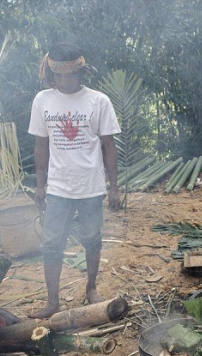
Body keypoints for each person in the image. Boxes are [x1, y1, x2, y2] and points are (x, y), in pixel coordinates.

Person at [27, 42, 121, 319]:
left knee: (92, 239)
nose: (65, 81)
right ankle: (53, 301)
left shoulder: (98, 101)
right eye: (59, 76)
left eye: (70, 75)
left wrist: (113, 187)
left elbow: (109, 145)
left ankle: (91, 288)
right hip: (57, 188)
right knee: (52, 244)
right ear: (51, 74)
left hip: (90, 186)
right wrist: (41, 185)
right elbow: (41, 145)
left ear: (81, 73)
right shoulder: (42, 100)